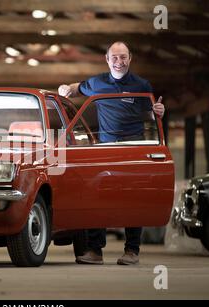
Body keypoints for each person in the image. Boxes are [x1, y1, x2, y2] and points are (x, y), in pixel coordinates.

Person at [58, 41, 165, 265]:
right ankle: (95, 251)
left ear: (130, 58)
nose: (119, 61)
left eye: (123, 57)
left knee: (133, 199)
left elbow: (151, 112)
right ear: (107, 60)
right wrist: (65, 89)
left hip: (134, 148)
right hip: (105, 149)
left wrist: (159, 111)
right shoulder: (97, 83)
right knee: (98, 198)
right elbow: (77, 88)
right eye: (114, 57)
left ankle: (132, 251)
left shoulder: (141, 85)